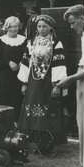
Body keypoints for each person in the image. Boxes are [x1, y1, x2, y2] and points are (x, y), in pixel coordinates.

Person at [17, 15, 68, 156]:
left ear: (50, 27)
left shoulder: (56, 43)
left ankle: (50, 145)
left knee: (49, 110)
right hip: (34, 83)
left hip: (48, 83)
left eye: (44, 26)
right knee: (33, 111)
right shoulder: (31, 42)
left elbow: (59, 64)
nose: (41, 29)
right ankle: (38, 143)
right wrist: (24, 84)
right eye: (39, 26)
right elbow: (26, 63)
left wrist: (57, 86)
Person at [56, 4, 84, 167]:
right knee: (81, 122)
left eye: (74, 23)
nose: (72, 27)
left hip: (82, 78)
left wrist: (70, 79)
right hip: (81, 79)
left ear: (83, 18)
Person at [0, 16, 27, 122]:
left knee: (17, 102)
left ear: (19, 27)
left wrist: (22, 63)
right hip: (4, 79)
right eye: (10, 26)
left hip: (18, 78)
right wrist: (8, 63)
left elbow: (27, 56)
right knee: (4, 104)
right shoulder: (1, 41)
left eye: (15, 26)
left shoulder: (23, 40)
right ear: (6, 27)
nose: (13, 29)